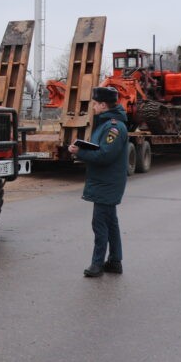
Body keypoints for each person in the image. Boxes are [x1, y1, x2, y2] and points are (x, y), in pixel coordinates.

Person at [68, 86, 129, 278]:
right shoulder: (106, 124)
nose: (93, 107)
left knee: (100, 223)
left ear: (103, 105)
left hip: (107, 182)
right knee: (110, 223)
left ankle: (97, 264)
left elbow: (104, 155)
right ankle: (115, 261)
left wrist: (80, 152)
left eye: (95, 104)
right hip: (105, 180)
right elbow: (101, 150)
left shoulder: (114, 127)